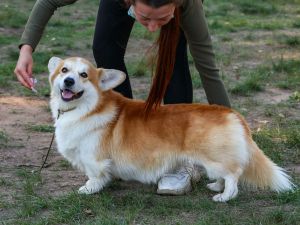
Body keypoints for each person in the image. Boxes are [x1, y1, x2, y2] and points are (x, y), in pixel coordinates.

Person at [14, 0, 231, 195]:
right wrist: (26, 49)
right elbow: (48, 1)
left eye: (162, 18)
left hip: (177, 11)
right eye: (145, 17)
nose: (153, 27)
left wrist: (228, 127)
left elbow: (207, 68)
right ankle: (124, 143)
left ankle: (180, 159)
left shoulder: (187, 4)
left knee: (173, 58)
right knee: (105, 47)